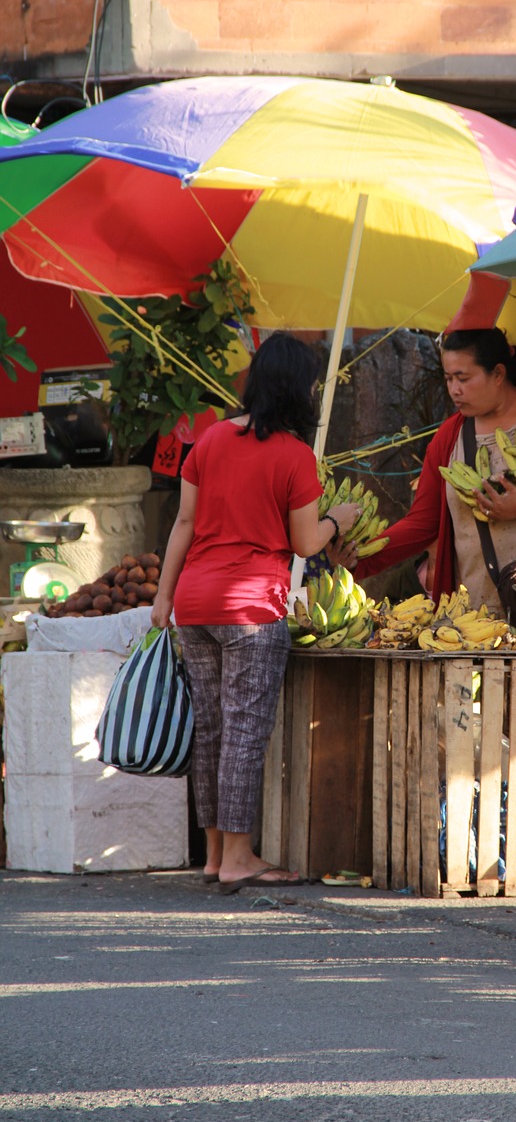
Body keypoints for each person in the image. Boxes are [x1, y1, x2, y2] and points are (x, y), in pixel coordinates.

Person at [150, 332, 361, 894]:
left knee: (212, 731)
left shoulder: (212, 440)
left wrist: (163, 597)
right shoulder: (296, 457)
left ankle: (217, 855)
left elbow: (183, 524)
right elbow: (305, 542)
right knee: (243, 732)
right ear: (300, 392)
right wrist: (338, 518)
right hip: (250, 609)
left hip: (194, 604)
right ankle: (241, 858)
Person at [354, 327, 516, 615]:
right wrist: (359, 559)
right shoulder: (448, 437)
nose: (454, 389)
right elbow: (422, 524)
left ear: (498, 373)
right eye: (448, 378)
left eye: (463, 378)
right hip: (479, 616)